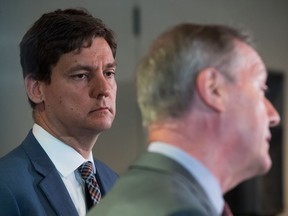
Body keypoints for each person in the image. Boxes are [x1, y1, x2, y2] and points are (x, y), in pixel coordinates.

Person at [87, 23, 280, 216]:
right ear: (213, 89)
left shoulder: (121, 198)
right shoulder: (180, 211)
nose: (274, 116)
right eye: (261, 89)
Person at [0, 8, 119, 216]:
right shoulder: (6, 186)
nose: (104, 89)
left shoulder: (116, 184)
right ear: (36, 89)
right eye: (81, 75)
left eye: (109, 73)